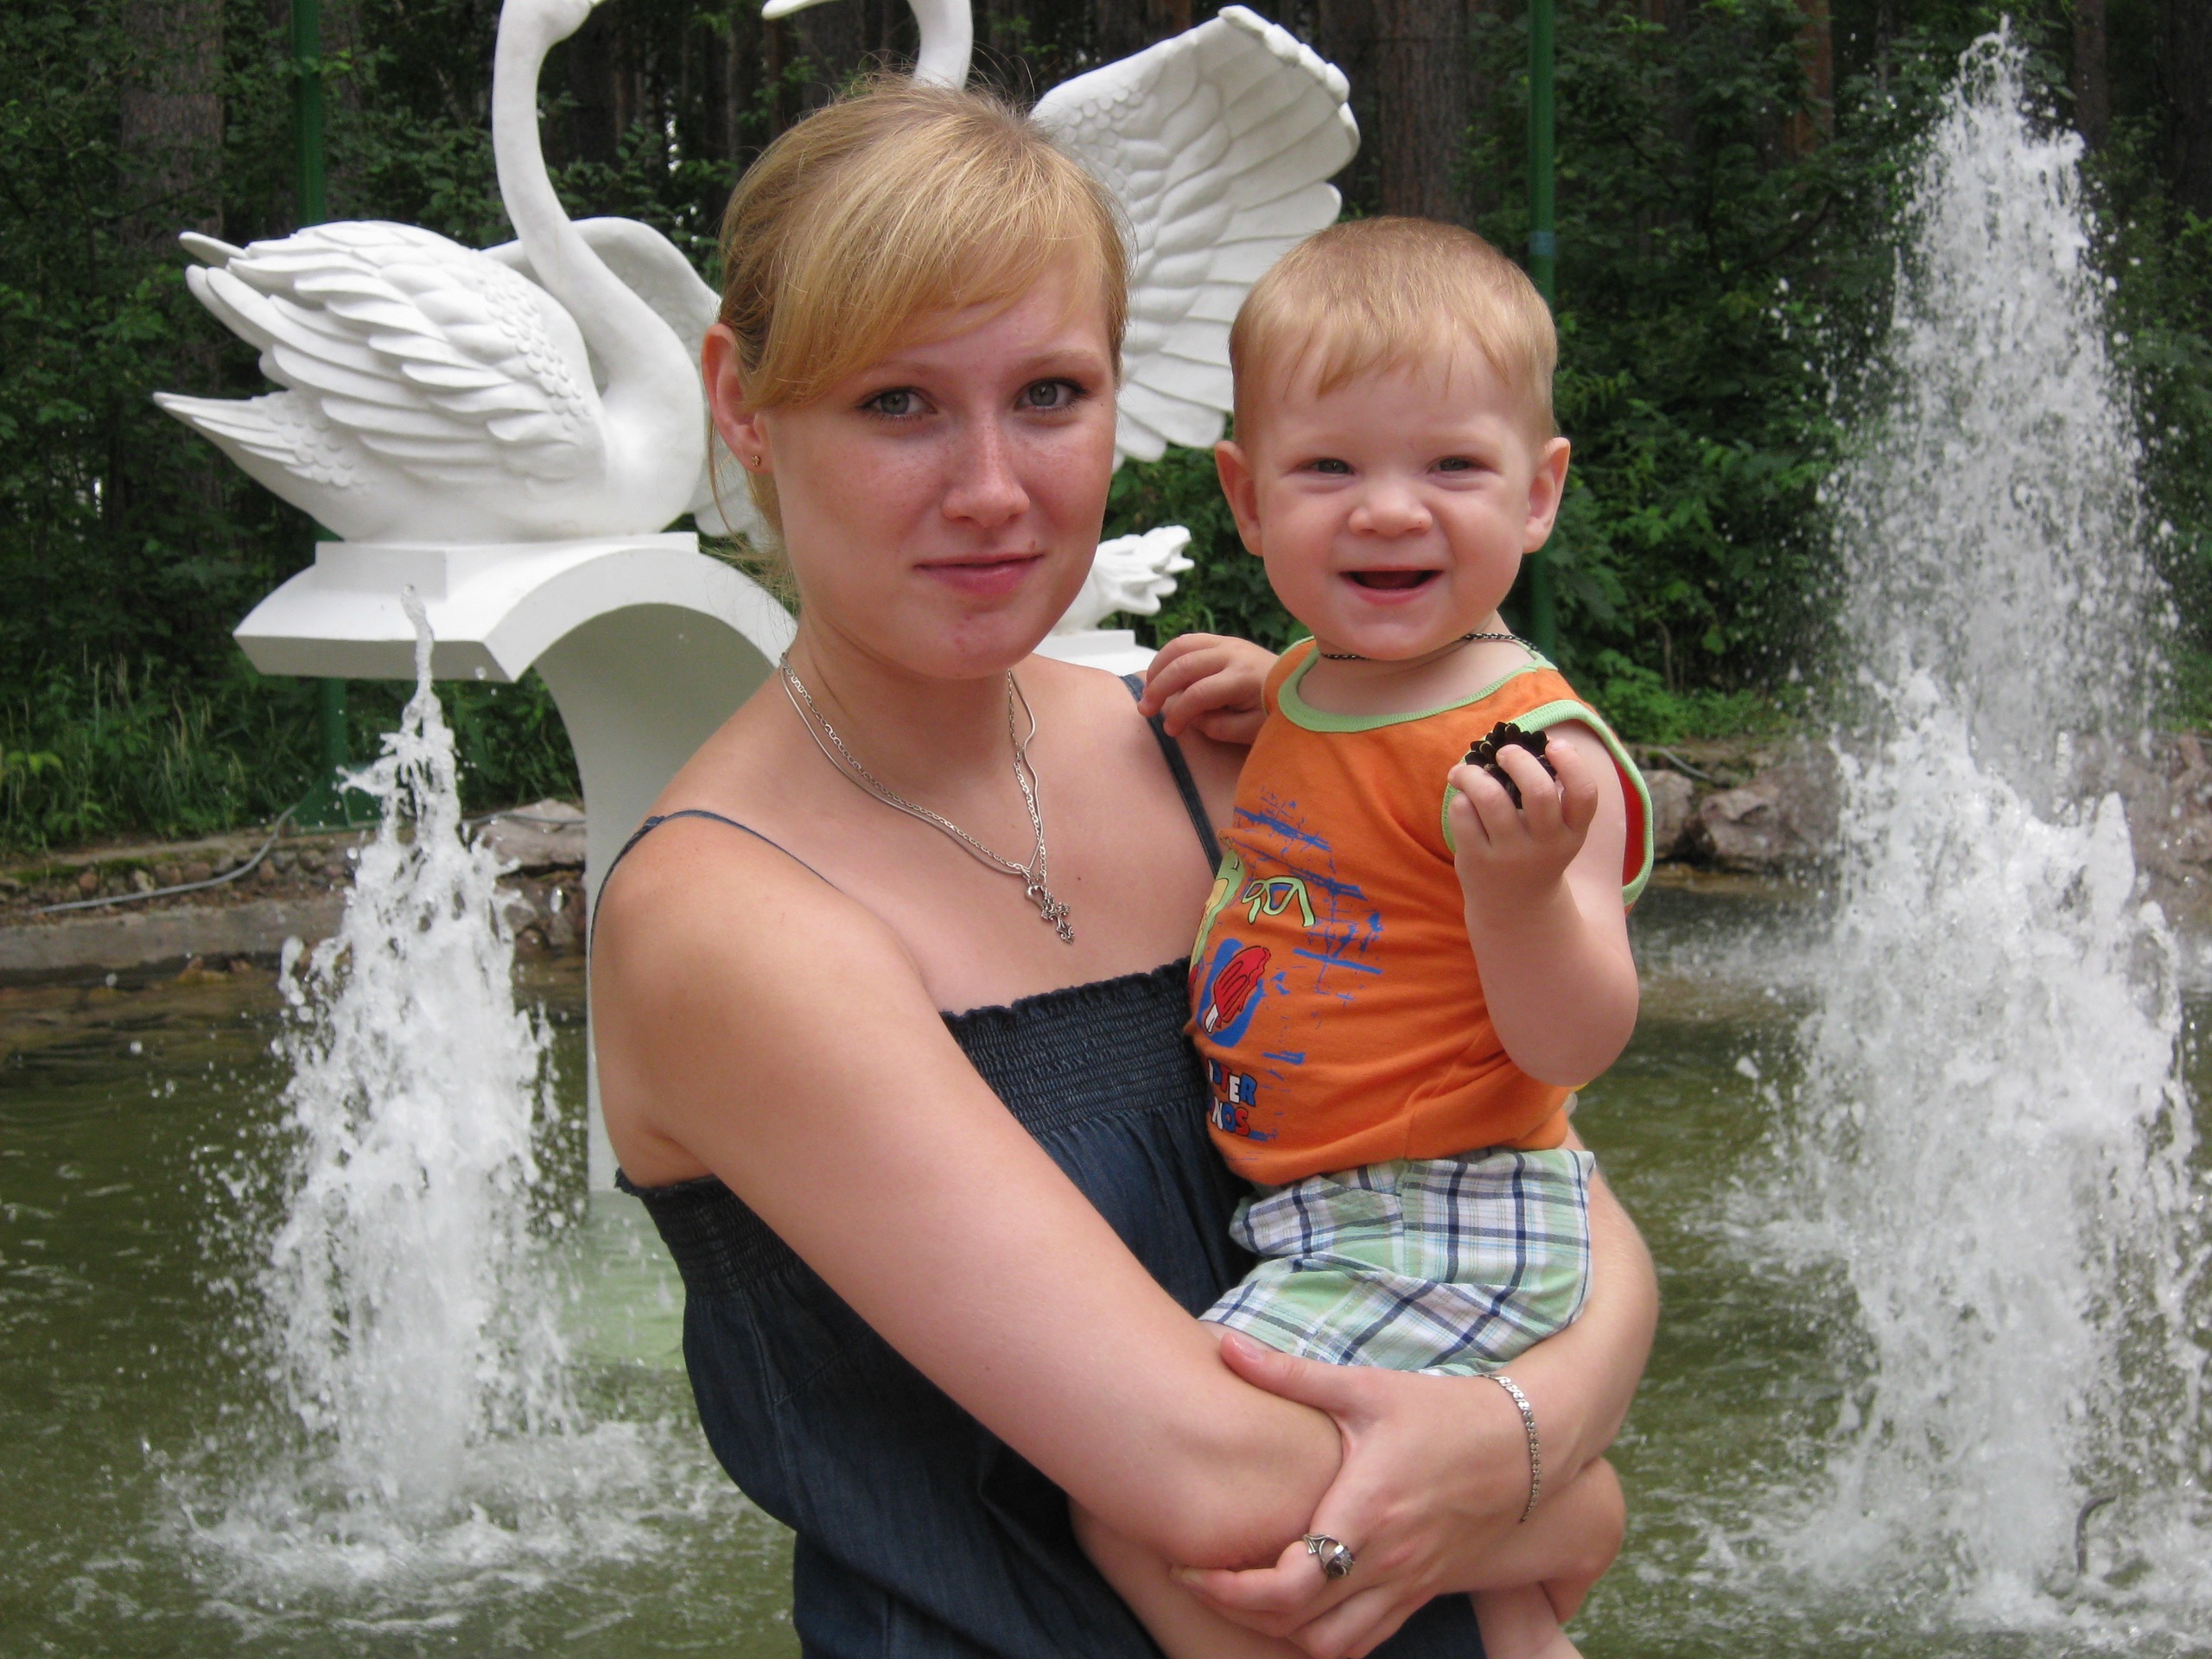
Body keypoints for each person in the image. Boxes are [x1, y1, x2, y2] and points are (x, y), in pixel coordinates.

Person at [589, 80, 1659, 1659]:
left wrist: (1517, 1444)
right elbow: (1208, 1480)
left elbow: (1551, 1180)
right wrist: (1568, 1493)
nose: (992, 489)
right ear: (743, 404)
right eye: (898, 404)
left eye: (1049, 393)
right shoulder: (724, 920)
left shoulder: (1216, 751)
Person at [1077, 219, 1655, 1659]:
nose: (1389, 513)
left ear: (1539, 492)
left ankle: (1561, 1524)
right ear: (1247, 497)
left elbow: (1578, 1041)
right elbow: (1352, 751)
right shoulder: (1324, 684)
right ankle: (1528, 1596)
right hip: (1335, 1210)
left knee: (1140, 1495)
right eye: (1329, 469)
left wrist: (1520, 896)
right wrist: (1272, 682)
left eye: (1452, 467)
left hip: (1441, 1214)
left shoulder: (1532, 751)